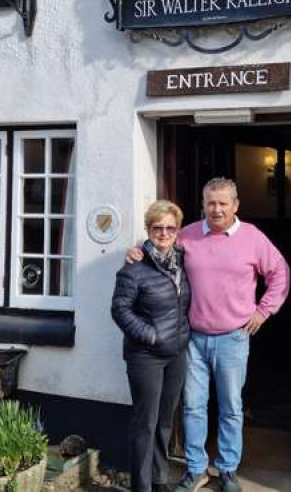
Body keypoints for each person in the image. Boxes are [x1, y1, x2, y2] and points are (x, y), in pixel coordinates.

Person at [127, 178, 290, 492]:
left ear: (235, 206)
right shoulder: (187, 235)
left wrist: (263, 311)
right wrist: (134, 252)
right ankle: (196, 470)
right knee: (192, 407)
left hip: (233, 337)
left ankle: (227, 470)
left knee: (230, 406)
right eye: (211, 203)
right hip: (193, 339)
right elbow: (157, 248)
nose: (216, 209)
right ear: (203, 204)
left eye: (223, 204)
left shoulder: (252, 237)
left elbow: (279, 272)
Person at [111, 200, 191, 492]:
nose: (164, 232)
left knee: (165, 422)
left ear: (177, 230)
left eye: (170, 227)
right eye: (158, 227)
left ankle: (159, 480)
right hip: (146, 356)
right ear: (148, 229)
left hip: (177, 354)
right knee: (145, 423)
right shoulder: (134, 267)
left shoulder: (182, 261)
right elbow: (120, 310)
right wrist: (150, 335)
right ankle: (141, 486)